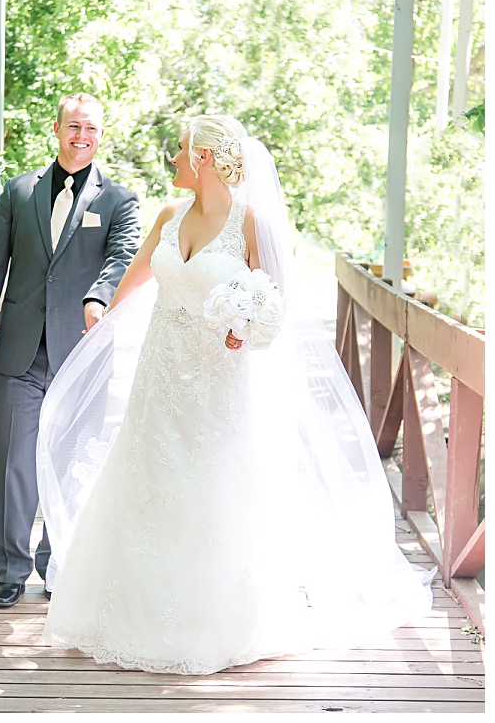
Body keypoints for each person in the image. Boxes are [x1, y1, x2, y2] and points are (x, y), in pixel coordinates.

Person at [39, 115, 432, 674]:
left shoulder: (250, 224)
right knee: (148, 483)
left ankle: (211, 623)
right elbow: (137, 275)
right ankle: (129, 616)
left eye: (179, 152)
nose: (173, 160)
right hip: (159, 378)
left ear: (202, 159)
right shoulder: (168, 216)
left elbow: (274, 305)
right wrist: (99, 315)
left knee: (210, 487)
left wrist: (246, 328)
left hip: (216, 381)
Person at [0, 93, 140, 608]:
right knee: (13, 463)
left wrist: (97, 297)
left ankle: (55, 563)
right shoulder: (19, 192)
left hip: (83, 354)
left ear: (101, 136)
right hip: (19, 350)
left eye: (92, 129)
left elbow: (123, 256)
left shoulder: (119, 201)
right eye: (73, 126)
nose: (82, 136)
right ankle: (9, 570)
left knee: (71, 462)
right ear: (56, 129)